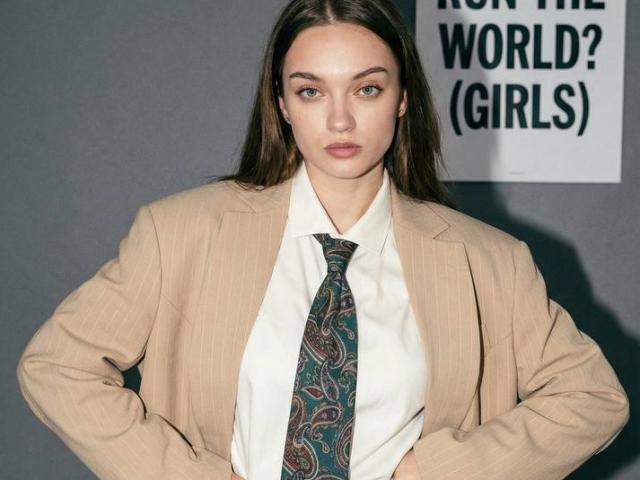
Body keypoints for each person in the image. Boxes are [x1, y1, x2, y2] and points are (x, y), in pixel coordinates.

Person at [16, 0, 629, 479]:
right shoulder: (181, 233)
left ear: (402, 99)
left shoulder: (486, 262)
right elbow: (57, 367)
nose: (340, 119)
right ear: (282, 104)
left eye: (367, 88)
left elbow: (593, 399)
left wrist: (437, 472)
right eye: (310, 90)